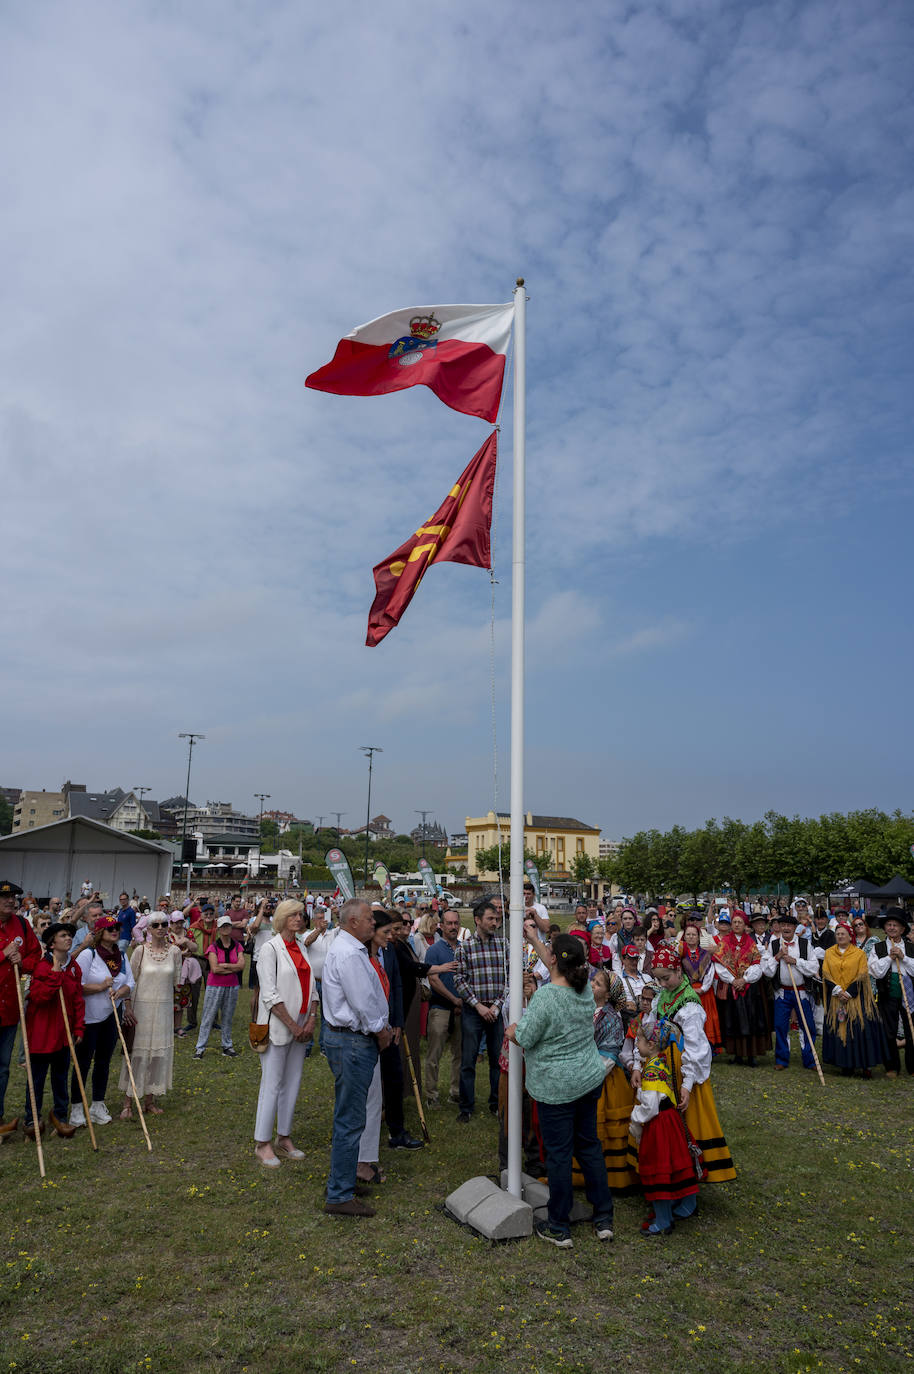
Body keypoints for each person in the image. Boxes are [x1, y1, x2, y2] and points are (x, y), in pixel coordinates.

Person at [507, 934, 615, 1248]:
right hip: (588, 1079)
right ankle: (603, 1217)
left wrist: (512, 1030)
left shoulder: (546, 997)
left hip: (557, 1087)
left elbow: (525, 1036)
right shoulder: (584, 988)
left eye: (549, 953)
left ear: (554, 959)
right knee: (589, 1147)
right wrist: (531, 936)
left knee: (558, 1156)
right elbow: (557, 962)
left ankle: (559, 1225)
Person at [631, 944, 736, 1184]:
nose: (663, 984)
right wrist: (638, 1064)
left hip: (683, 1074)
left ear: (679, 972)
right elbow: (647, 1032)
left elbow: (696, 1049)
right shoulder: (661, 998)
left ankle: (688, 1174)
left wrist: (687, 1083)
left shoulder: (690, 1005)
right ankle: (665, 1171)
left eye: (666, 978)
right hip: (661, 1068)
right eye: (659, 980)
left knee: (687, 1123)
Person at [321, 899, 392, 1217]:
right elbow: (363, 1003)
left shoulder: (351, 949)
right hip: (353, 1041)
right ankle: (339, 1195)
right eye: (368, 919)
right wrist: (381, 1031)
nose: (373, 924)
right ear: (352, 922)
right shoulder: (349, 953)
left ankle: (343, 1179)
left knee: (350, 1116)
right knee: (350, 1119)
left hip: (349, 1040)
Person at [252, 900, 317, 1167]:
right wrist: (292, 1024)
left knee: (293, 1080)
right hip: (279, 1025)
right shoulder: (270, 949)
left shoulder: (302, 946)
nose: (299, 919)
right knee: (272, 1083)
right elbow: (269, 993)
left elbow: (313, 985)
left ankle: (284, 1136)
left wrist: (311, 1019)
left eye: (301, 915)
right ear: (281, 918)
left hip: (301, 1023)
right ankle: (262, 1142)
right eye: (293, 915)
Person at [630, 1018, 701, 1236]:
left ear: (651, 1045)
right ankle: (687, 1205)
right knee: (676, 1163)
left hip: (659, 1125)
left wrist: (634, 1117)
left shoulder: (651, 1072)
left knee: (658, 1168)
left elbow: (650, 1107)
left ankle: (663, 1219)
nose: (636, 1044)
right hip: (671, 1121)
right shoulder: (660, 1062)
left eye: (639, 1040)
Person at [70, 914, 135, 1127]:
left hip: (110, 1017)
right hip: (88, 1019)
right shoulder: (88, 955)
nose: (114, 931)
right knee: (82, 1063)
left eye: (116, 927)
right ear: (99, 933)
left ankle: (98, 1104)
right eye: (109, 929)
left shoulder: (122, 956)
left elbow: (130, 984)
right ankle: (77, 1108)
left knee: (103, 1062)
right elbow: (74, 986)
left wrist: (121, 992)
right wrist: (100, 987)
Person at [119, 909, 182, 1119]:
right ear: (147, 929)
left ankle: (150, 1100)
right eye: (155, 925)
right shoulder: (140, 952)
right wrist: (128, 1007)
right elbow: (130, 981)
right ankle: (128, 1101)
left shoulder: (175, 952)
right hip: (141, 1010)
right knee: (137, 1053)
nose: (161, 928)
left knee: (157, 1055)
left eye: (164, 924)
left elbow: (177, 982)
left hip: (163, 1009)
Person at [23, 922, 83, 1139]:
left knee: (60, 1078)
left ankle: (60, 1116)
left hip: (63, 1036)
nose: (69, 939)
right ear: (52, 943)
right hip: (42, 1034)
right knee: (36, 1079)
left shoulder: (74, 967)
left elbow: (77, 1000)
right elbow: (39, 997)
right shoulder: (41, 967)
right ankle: (32, 1118)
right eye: (64, 935)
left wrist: (78, 1028)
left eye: (70, 936)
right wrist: (56, 974)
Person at [454, 898, 507, 1123]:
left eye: (496, 919)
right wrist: (478, 1005)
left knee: (497, 1060)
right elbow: (458, 979)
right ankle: (466, 1106)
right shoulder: (464, 947)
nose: (495, 922)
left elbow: (510, 978)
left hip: (495, 1011)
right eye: (490, 918)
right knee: (468, 1060)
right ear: (477, 920)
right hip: (473, 1011)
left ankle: (496, 1103)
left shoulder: (504, 945)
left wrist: (496, 1005)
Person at [587, 965, 638, 1195]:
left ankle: (611, 1175)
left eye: (597, 984)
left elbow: (610, 1053)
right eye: (592, 981)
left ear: (608, 995)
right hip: (586, 1070)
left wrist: (589, 1075)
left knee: (607, 1125)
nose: (591, 985)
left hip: (605, 1077)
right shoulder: (585, 1007)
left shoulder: (611, 1018)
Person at [0, 879, 42, 1139]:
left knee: (3, 1067)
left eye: (14, 898)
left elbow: (35, 957)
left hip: (9, 1010)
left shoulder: (23, 925)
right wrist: (3, 954)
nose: (11, 901)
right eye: (5, 898)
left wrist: (22, 961)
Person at [820, 919, 885, 1077]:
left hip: (855, 999)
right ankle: (845, 1065)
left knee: (859, 1030)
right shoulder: (829, 953)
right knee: (839, 1030)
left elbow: (862, 974)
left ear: (850, 936)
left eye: (843, 934)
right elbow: (826, 973)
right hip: (836, 998)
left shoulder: (859, 954)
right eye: (838, 934)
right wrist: (836, 990)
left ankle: (864, 1066)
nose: (840, 936)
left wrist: (848, 992)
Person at [760, 910, 820, 1070]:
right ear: (779, 927)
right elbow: (767, 971)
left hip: (801, 991)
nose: (786, 928)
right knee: (780, 1026)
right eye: (783, 925)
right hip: (782, 992)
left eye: (789, 925)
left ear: (795, 928)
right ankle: (781, 1059)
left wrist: (795, 961)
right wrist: (777, 957)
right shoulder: (773, 945)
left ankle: (810, 1060)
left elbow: (814, 967)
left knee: (807, 1025)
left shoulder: (804, 944)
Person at [713, 910, 769, 1066]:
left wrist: (744, 980)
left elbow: (757, 965)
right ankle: (737, 1054)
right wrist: (732, 980)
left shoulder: (751, 943)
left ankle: (751, 1055)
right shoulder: (724, 943)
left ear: (745, 925)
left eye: (740, 922)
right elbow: (719, 965)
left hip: (749, 989)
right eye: (734, 922)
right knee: (734, 1019)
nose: (737, 925)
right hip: (732, 989)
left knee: (751, 1019)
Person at [868, 908, 914, 1079]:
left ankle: (912, 1066)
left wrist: (903, 957)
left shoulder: (910, 947)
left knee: (911, 1030)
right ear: (885, 928)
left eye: (896, 925)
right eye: (889, 925)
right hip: (888, 993)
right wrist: (889, 957)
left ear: (902, 929)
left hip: (910, 994)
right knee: (889, 1031)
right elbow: (875, 972)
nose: (892, 928)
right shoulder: (878, 947)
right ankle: (892, 1067)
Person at [424, 908, 463, 1107]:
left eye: (456, 923)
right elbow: (434, 979)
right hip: (440, 1007)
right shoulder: (434, 950)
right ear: (441, 926)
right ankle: (431, 1095)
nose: (453, 927)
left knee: (459, 1053)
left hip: (462, 1009)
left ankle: (455, 1092)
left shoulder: (465, 948)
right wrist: (453, 999)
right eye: (449, 923)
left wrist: (462, 1001)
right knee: (434, 1054)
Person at [193, 916, 245, 1059]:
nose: (226, 929)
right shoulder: (213, 947)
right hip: (215, 986)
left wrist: (226, 966)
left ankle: (227, 1045)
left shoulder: (237, 946)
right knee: (208, 1016)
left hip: (232, 986)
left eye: (228, 926)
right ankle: (200, 1047)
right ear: (219, 929)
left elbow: (242, 966)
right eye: (223, 927)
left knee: (227, 1017)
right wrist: (233, 968)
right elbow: (215, 969)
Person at [679, 923, 722, 1054]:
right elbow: (679, 974)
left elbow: (710, 972)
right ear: (684, 937)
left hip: (704, 992)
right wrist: (688, 989)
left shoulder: (706, 954)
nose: (691, 937)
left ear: (698, 937)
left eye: (694, 934)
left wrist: (703, 988)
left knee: (707, 1019)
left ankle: (709, 1047)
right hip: (688, 992)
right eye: (688, 934)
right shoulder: (681, 955)